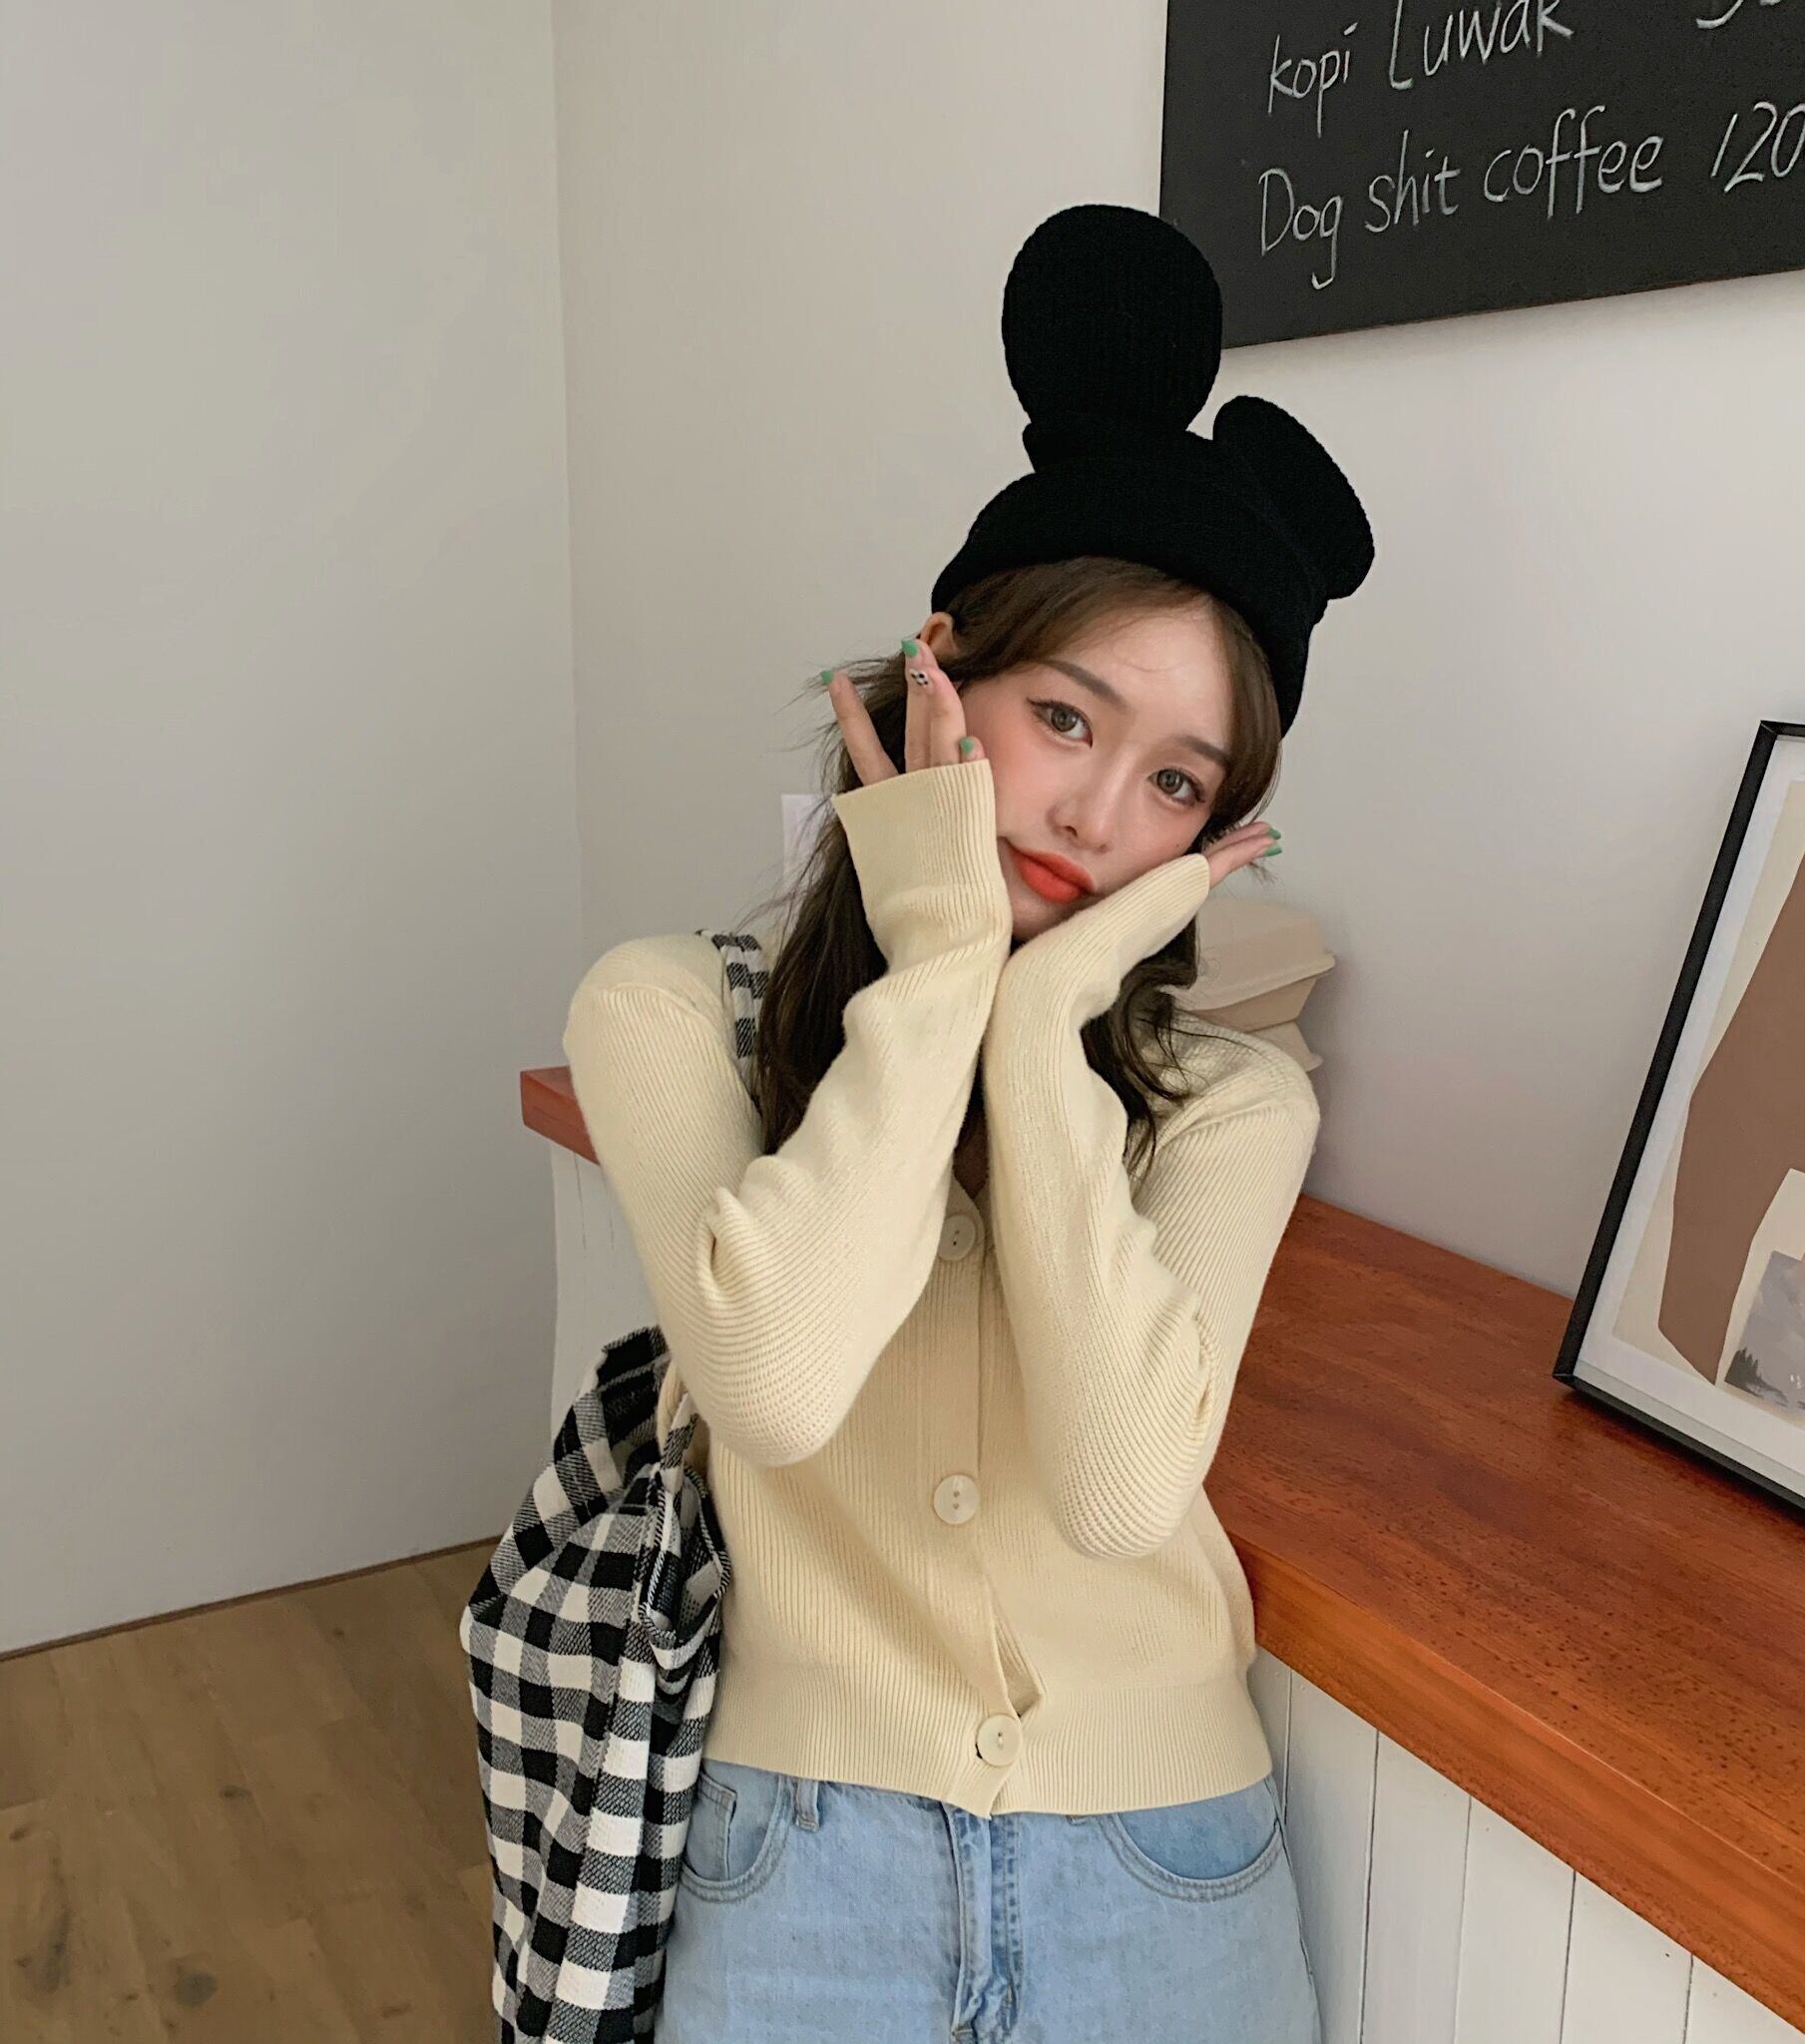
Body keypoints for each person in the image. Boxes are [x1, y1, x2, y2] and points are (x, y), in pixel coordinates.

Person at [562, 203, 1374, 2043]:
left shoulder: (1236, 1104)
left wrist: (1040, 1025)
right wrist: (942, 961)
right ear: (941, 672)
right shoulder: (665, 1014)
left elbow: (1117, 1493)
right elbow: (775, 1388)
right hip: (798, 1864)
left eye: (1176, 782)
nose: (1096, 816)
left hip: (1163, 1868)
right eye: (1064, 717)